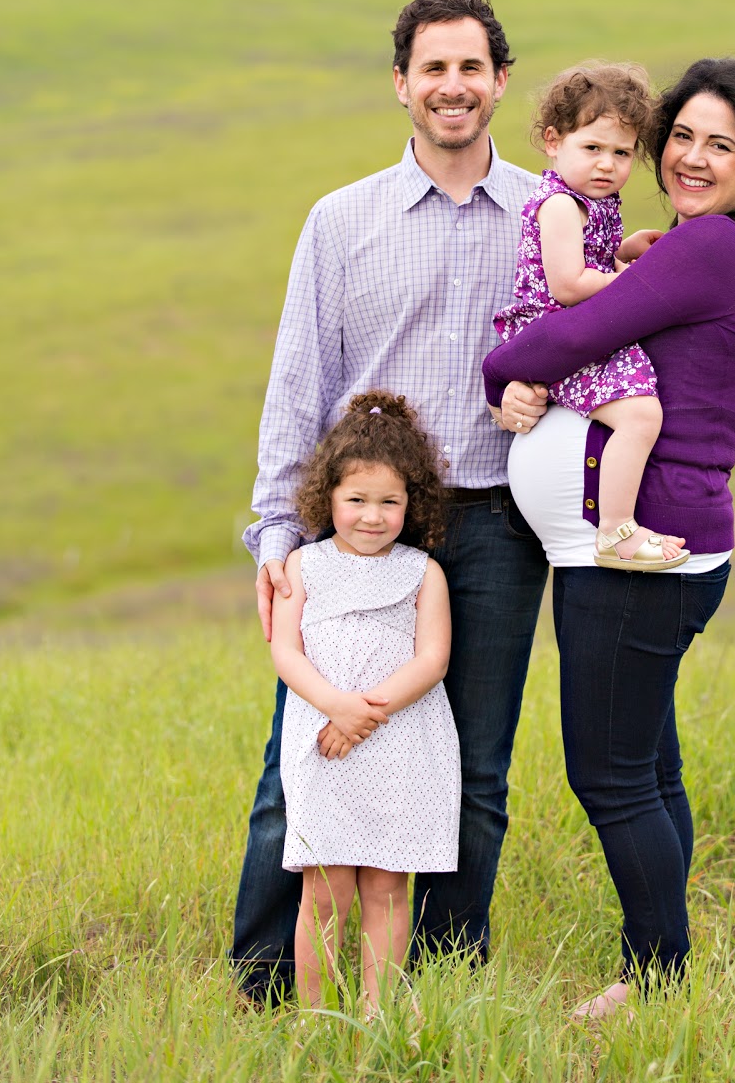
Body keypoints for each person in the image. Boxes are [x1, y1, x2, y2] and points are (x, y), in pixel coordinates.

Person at [231, 0, 735, 1001]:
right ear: (400, 84)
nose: (452, 85)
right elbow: (297, 385)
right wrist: (274, 535)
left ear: (501, 82)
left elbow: (652, 338)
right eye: (431, 68)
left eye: (470, 67)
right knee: (299, 757)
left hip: (494, 523)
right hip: (360, 530)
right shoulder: (340, 221)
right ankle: (262, 982)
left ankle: (440, 977)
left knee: (473, 769)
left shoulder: (558, 206)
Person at [483, 57, 735, 1019]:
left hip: (637, 557)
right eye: (682, 137)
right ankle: (663, 969)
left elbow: (558, 338)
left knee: (611, 776)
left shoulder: (710, 246)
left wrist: (502, 371)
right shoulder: (713, 247)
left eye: (722, 145)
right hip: (650, 552)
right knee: (648, 768)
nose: (692, 158)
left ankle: (657, 982)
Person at [271, 390, 460, 1013]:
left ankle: (380, 1015)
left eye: (389, 502)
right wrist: (337, 707)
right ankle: (316, 1016)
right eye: (356, 500)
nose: (372, 517)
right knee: (324, 893)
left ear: (412, 502)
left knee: (386, 888)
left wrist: (364, 714)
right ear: (328, 497)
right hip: (324, 742)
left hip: (400, 744)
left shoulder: (423, 572)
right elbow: (286, 652)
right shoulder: (303, 565)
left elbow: (432, 660)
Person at [493, 62, 685, 569]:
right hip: (558, 338)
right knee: (641, 415)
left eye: (621, 153)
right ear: (554, 141)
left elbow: (591, 261)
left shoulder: (593, 200)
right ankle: (617, 531)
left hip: (581, 329)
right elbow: (569, 284)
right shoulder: (560, 204)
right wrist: (637, 283)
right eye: (593, 148)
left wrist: (624, 252)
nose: (607, 164)